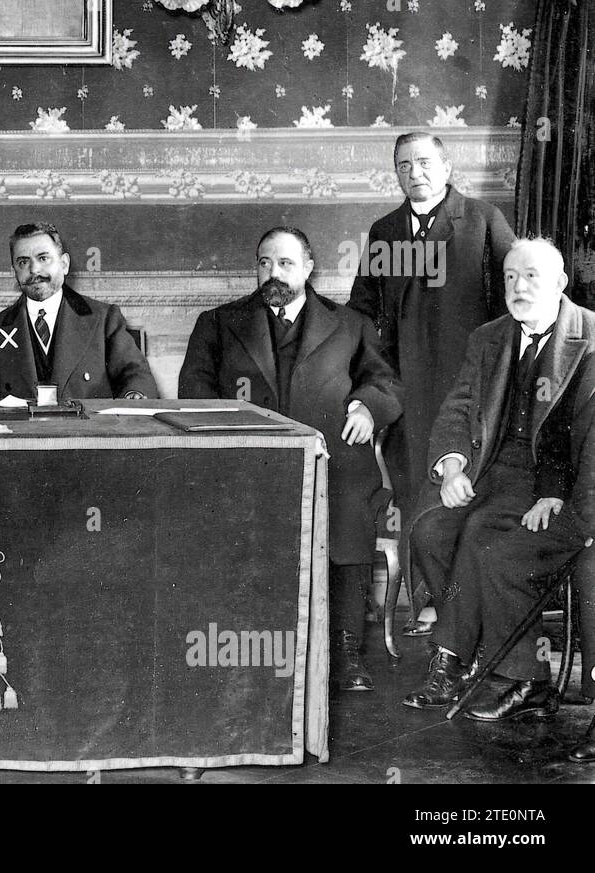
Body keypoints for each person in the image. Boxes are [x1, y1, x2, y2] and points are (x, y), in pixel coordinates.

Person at [180, 227, 403, 691]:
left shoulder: (350, 324)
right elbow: (194, 394)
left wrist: (366, 407)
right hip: (248, 462)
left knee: (347, 512)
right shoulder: (219, 323)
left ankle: (344, 649)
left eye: (284, 263)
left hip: (333, 462)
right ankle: (250, 649)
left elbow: (386, 384)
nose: (273, 273)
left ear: (308, 267)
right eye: (264, 263)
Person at [401, 239, 595, 723]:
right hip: (492, 473)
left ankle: (475, 665)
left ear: (560, 282)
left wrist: (556, 493)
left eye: (531, 276)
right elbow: (459, 407)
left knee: (484, 546)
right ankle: (474, 653)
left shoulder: (591, 337)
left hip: (561, 484)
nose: (518, 286)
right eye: (510, 277)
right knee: (430, 532)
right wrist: (451, 465)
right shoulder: (490, 337)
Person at [348, 131, 516, 637]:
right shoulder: (386, 231)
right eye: (403, 166)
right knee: (413, 487)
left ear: (446, 167)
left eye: (424, 162)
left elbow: (515, 297)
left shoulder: (483, 220)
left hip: (474, 385)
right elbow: (364, 308)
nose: (414, 172)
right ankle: (433, 601)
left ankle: (469, 607)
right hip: (406, 386)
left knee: (467, 491)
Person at [0, 222, 157, 400]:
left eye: (43, 258)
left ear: (64, 264)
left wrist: (135, 395)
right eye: (23, 262)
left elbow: (135, 374)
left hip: (89, 429)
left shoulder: (104, 319)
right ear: (14, 271)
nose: (34, 269)